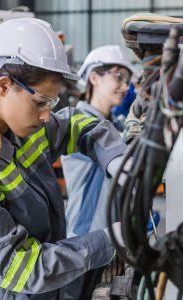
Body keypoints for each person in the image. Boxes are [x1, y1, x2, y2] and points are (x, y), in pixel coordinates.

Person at [0, 18, 125, 300]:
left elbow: (77, 122)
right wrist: (107, 242)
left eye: (51, 104)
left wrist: (119, 159)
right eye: (40, 102)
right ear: (3, 86)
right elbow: (19, 267)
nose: (46, 116)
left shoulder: (23, 129)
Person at [61, 45, 134, 298]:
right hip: (83, 239)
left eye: (127, 80)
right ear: (94, 77)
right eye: (118, 76)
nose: (125, 87)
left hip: (107, 239)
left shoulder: (114, 126)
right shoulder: (79, 125)